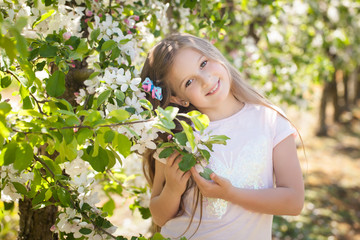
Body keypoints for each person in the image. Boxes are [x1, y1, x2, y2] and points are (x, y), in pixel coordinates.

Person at [140, 33, 304, 240]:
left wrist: (230, 194)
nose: (207, 80)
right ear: (178, 98)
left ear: (213, 54)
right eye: (189, 82)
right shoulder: (180, 135)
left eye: (203, 63)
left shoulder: (269, 119)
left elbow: (294, 201)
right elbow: (160, 217)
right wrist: (172, 190)